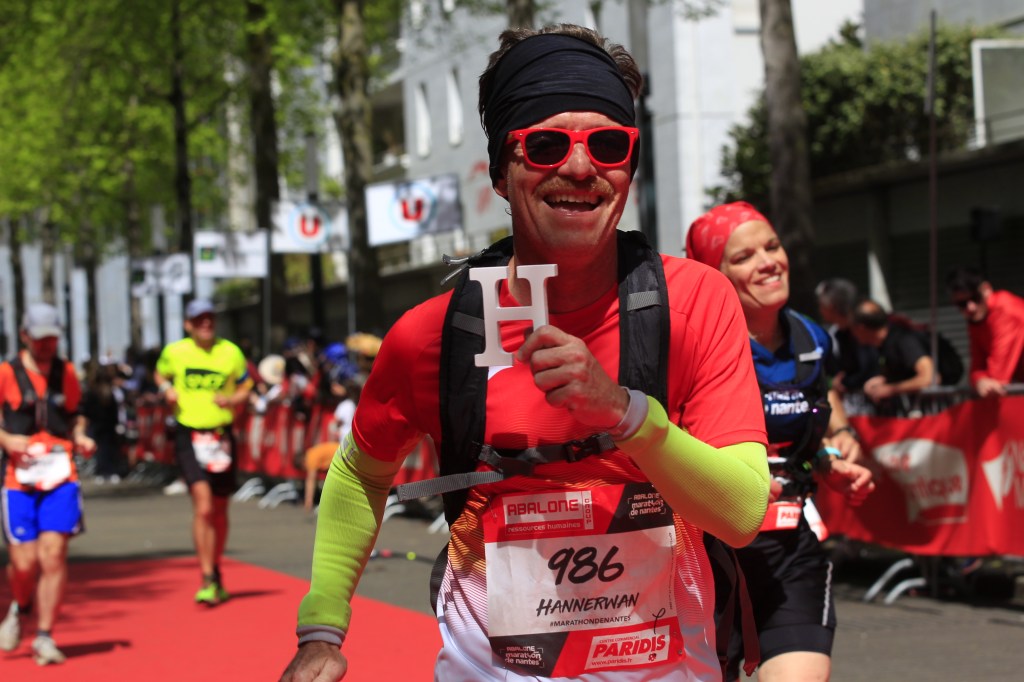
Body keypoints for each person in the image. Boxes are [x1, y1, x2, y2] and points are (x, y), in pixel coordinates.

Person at [281, 24, 771, 682]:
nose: (580, 168)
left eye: (608, 144)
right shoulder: (433, 335)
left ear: (629, 167)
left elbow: (742, 513)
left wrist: (625, 413)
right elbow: (360, 473)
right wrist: (321, 627)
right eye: (545, 145)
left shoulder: (695, 303)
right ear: (500, 173)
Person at [687, 202, 875, 681]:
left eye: (772, 246)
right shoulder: (690, 346)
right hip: (709, 555)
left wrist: (834, 447)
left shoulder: (812, 338)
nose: (768, 262)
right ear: (713, 275)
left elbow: (822, 396)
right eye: (744, 256)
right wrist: (734, 485)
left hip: (790, 550)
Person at [0, 303, 97, 665]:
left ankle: (44, 635)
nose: (47, 345)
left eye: (53, 338)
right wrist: (6, 440)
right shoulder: (6, 373)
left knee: (53, 554)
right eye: (40, 339)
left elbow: (76, 415)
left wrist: (81, 435)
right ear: (25, 336)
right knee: (24, 563)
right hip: (18, 478)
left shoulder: (65, 371)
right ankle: (20, 605)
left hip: (60, 475)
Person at [154, 299, 252, 605]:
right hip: (188, 433)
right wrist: (166, 390)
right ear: (188, 324)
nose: (206, 324)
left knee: (220, 509)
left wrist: (233, 400)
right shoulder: (175, 352)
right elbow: (160, 375)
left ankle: (216, 568)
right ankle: (207, 575)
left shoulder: (231, 352)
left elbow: (246, 385)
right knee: (204, 505)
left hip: (221, 436)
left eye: (210, 318)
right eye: (199, 319)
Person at [945, 266, 1024, 398]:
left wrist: (980, 379)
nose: (970, 307)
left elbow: (997, 377)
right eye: (962, 303)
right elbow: (977, 367)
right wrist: (980, 380)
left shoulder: (1004, 310)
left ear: (986, 289)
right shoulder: (977, 320)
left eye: (975, 298)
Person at [851, 299, 937, 406]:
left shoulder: (904, 340)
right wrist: (884, 381)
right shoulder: (882, 344)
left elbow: (930, 378)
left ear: (861, 328)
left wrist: (891, 389)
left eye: (852, 328)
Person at [814, 278, 879, 393]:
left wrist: (845, 382)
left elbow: (868, 368)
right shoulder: (836, 333)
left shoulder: (862, 329)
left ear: (831, 306)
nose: (819, 310)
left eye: (820, 305)